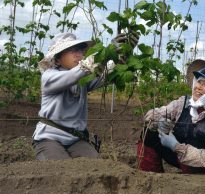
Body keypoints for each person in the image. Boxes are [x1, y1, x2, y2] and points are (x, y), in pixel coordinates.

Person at [33, 32, 139, 160]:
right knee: (60, 171)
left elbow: (107, 74)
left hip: (76, 139)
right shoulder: (49, 77)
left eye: (80, 50)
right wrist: (105, 52)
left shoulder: (83, 79)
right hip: (49, 138)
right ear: (58, 58)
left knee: (95, 169)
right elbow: (75, 74)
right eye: (72, 50)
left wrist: (123, 54)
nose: (79, 54)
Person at [137, 59, 205, 173]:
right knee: (150, 133)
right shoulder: (183, 103)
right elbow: (151, 116)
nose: (199, 87)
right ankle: (151, 175)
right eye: (199, 81)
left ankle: (189, 181)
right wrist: (159, 121)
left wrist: (175, 146)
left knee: (196, 143)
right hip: (182, 157)